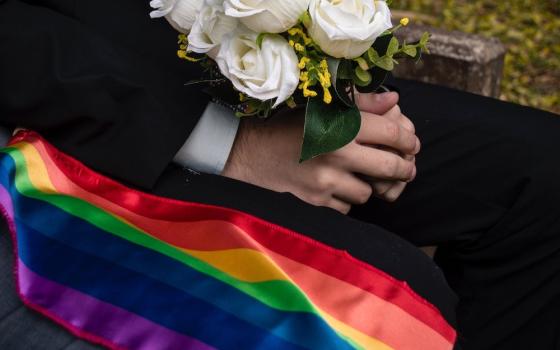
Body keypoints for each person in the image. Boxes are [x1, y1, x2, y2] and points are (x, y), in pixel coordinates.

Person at [0, 0, 559, 349]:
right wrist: (226, 145)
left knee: (542, 177)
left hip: (191, 60)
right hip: (60, 115)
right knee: (386, 304)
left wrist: (336, 68)